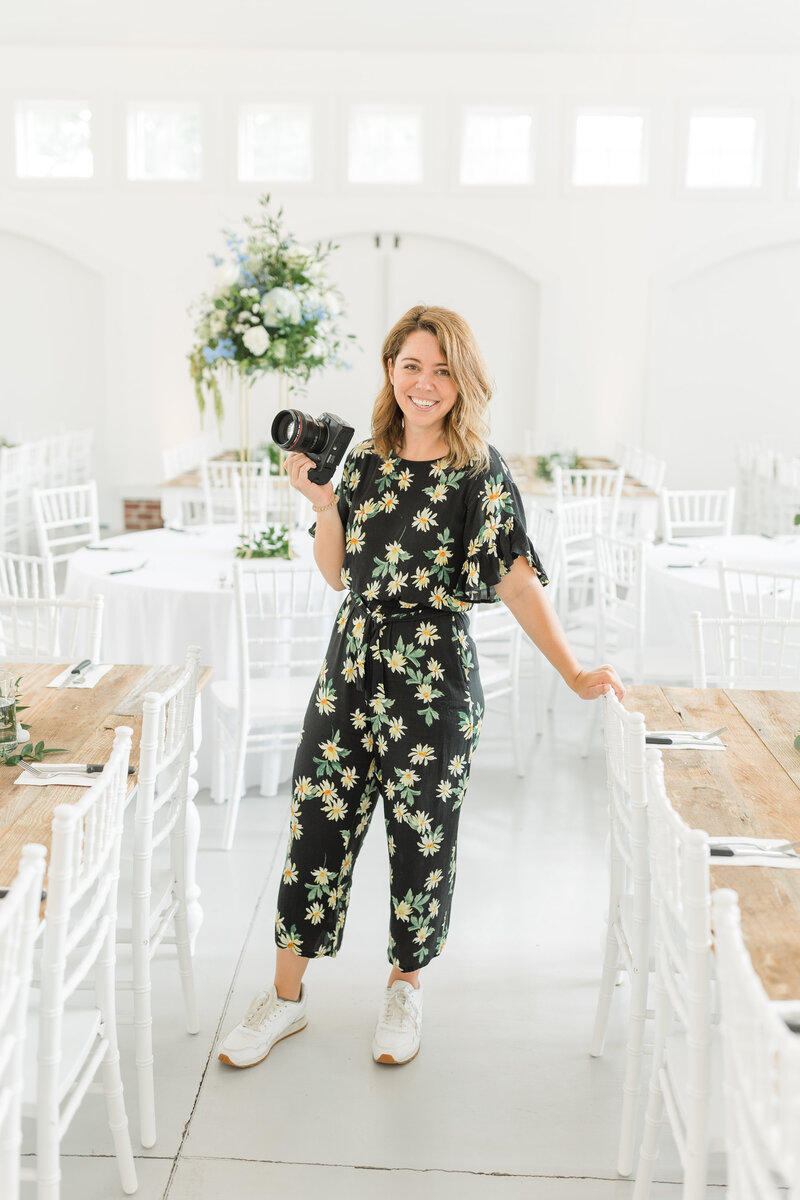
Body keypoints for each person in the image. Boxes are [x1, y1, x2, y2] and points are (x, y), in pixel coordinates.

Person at [218, 304, 624, 1070]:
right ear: (390, 372)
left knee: (421, 841)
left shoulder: (480, 472)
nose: (425, 383)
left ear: (462, 380)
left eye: (441, 369)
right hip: (351, 666)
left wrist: (572, 670)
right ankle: (284, 999)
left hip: (434, 675)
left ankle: (405, 986)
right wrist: (324, 503)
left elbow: (515, 578)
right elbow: (339, 573)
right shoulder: (364, 460)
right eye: (412, 366)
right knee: (315, 828)